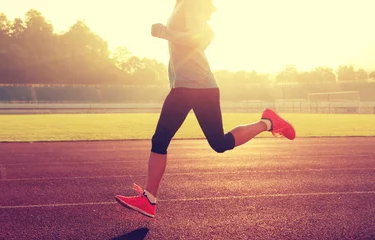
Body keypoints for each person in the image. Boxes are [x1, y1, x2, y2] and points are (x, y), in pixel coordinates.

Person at [115, 0, 295, 218]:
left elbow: (197, 38)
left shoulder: (192, 3)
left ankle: (149, 199)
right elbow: (207, 35)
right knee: (214, 143)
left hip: (196, 85)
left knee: (165, 140)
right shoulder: (183, 4)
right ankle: (268, 122)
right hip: (189, 84)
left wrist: (165, 32)